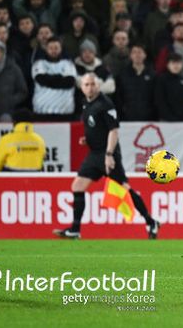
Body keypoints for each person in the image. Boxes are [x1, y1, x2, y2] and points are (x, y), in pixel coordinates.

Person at [53, 73, 159, 240]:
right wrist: (87, 139)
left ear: (98, 86)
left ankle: (151, 222)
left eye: (93, 84)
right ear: (82, 87)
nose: (90, 88)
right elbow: (97, 127)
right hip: (94, 154)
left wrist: (109, 154)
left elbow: (113, 131)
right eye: (86, 84)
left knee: (124, 188)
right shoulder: (86, 103)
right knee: (77, 186)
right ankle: (75, 230)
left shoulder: (105, 104)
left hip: (107, 154)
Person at [155, 53, 183, 122]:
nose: (176, 66)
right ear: (168, 65)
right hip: (166, 120)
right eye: (173, 63)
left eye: (178, 63)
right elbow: (160, 101)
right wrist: (171, 118)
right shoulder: (161, 79)